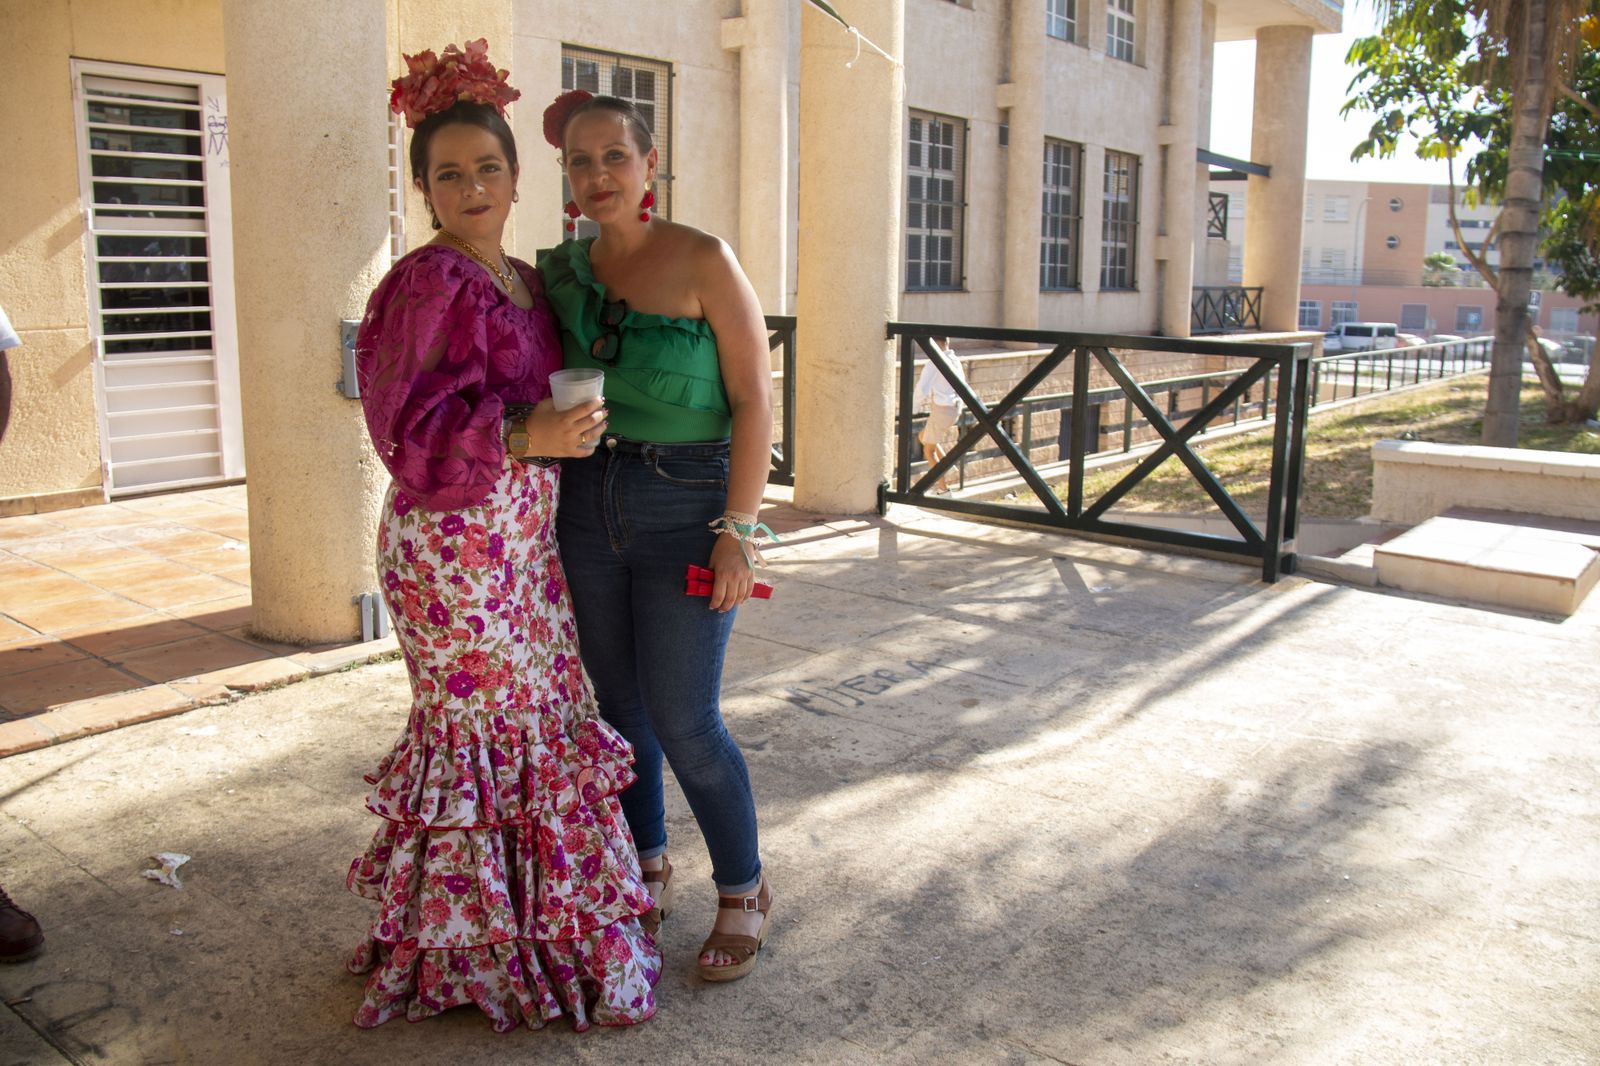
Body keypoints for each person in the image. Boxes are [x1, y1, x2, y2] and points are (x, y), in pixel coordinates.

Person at [345, 41, 660, 1033]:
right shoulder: (424, 283)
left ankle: (534, 930)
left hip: (523, 543)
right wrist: (527, 431)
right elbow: (403, 429)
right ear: (424, 190)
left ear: (520, 178)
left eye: (488, 167)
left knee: (534, 728)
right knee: (490, 740)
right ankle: (484, 950)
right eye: (449, 173)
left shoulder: (522, 278)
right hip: (450, 552)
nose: (472, 185)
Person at [536, 90, 776, 983]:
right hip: (587, 499)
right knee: (620, 711)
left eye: (614, 157)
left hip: (688, 502)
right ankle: (642, 867)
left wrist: (740, 533)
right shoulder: (562, 271)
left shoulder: (705, 258)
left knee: (685, 717)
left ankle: (744, 889)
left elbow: (755, 400)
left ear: (649, 162)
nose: (597, 175)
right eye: (579, 162)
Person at [914, 336, 968, 494]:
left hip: (942, 410)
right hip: (955, 409)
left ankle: (944, 490)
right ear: (947, 342)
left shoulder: (933, 363)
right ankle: (947, 466)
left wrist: (913, 408)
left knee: (928, 450)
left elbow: (921, 389)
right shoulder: (955, 360)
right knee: (923, 436)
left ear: (934, 344)